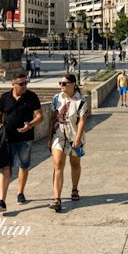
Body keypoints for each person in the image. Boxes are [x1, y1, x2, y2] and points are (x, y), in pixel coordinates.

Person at [0, 71, 43, 212]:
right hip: (7, 139)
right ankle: (2, 200)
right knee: (5, 168)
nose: (24, 86)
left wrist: (30, 125)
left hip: (25, 140)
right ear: (13, 85)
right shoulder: (5, 97)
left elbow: (40, 116)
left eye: (26, 83)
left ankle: (20, 192)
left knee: (24, 166)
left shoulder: (31, 97)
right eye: (21, 84)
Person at [47, 73, 88, 212]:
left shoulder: (81, 100)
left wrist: (77, 138)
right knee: (58, 164)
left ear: (73, 85)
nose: (61, 86)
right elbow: (52, 118)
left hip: (75, 137)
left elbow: (82, 120)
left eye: (64, 83)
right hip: (59, 136)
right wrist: (49, 137)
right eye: (60, 83)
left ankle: (75, 189)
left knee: (75, 164)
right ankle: (56, 199)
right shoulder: (57, 98)